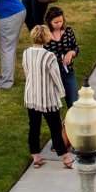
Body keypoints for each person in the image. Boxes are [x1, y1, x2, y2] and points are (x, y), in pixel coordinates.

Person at [22, 24, 75, 168]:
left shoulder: (26, 52)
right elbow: (56, 78)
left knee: (34, 127)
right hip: (47, 99)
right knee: (55, 128)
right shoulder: (49, 56)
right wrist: (62, 93)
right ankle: (65, 158)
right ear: (46, 37)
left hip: (31, 96)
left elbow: (27, 72)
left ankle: (36, 156)